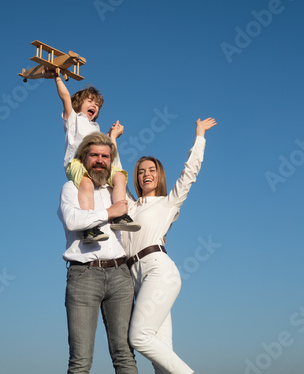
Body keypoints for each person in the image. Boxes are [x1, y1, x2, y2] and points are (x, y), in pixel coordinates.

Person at [125, 117, 217, 374]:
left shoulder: (168, 203)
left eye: (151, 170)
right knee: (160, 359)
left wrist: (200, 135)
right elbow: (115, 175)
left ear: (159, 175)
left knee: (139, 337)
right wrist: (111, 140)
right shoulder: (130, 207)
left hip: (158, 271)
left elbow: (190, 173)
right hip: (138, 279)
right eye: (141, 171)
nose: (146, 174)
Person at [58, 131, 139, 374]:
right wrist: (109, 213)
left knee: (125, 355)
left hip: (120, 275)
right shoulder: (71, 188)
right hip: (84, 275)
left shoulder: (115, 190)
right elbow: (72, 220)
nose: (100, 160)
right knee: (80, 361)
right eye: (94, 155)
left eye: (105, 156)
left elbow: (139, 214)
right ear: (84, 158)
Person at [45, 69, 140, 243]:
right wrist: (57, 77)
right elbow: (65, 97)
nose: (94, 106)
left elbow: (108, 154)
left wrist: (112, 136)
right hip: (77, 164)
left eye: (97, 105)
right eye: (90, 102)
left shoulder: (96, 128)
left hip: (96, 163)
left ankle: (119, 216)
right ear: (79, 105)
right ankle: (90, 229)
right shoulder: (73, 119)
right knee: (86, 183)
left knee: (119, 176)